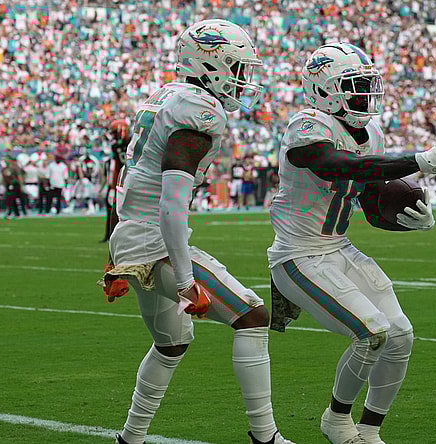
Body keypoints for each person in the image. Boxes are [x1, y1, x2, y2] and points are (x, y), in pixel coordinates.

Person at [99, 20, 294, 444]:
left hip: (133, 237)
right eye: (238, 69)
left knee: (171, 345)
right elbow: (171, 206)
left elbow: (133, 181)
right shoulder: (198, 114)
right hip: (154, 242)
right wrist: (186, 281)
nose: (244, 80)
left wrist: (120, 252)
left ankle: (130, 438)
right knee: (252, 316)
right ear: (212, 66)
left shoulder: (166, 97)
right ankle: (265, 436)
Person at [267, 42, 436, 444]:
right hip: (297, 255)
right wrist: (419, 161)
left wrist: (412, 222)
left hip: (338, 248)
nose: (364, 94)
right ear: (324, 89)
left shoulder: (370, 131)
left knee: (400, 334)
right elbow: (336, 165)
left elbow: (373, 205)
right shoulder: (307, 125)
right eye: (355, 85)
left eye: (366, 85)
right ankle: (336, 420)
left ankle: (370, 430)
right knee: (371, 332)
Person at [101, 119, 130, 242]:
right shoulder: (119, 145)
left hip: (131, 179)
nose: (113, 135)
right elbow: (117, 167)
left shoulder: (128, 143)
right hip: (124, 179)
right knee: (113, 209)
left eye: (114, 132)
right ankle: (110, 235)